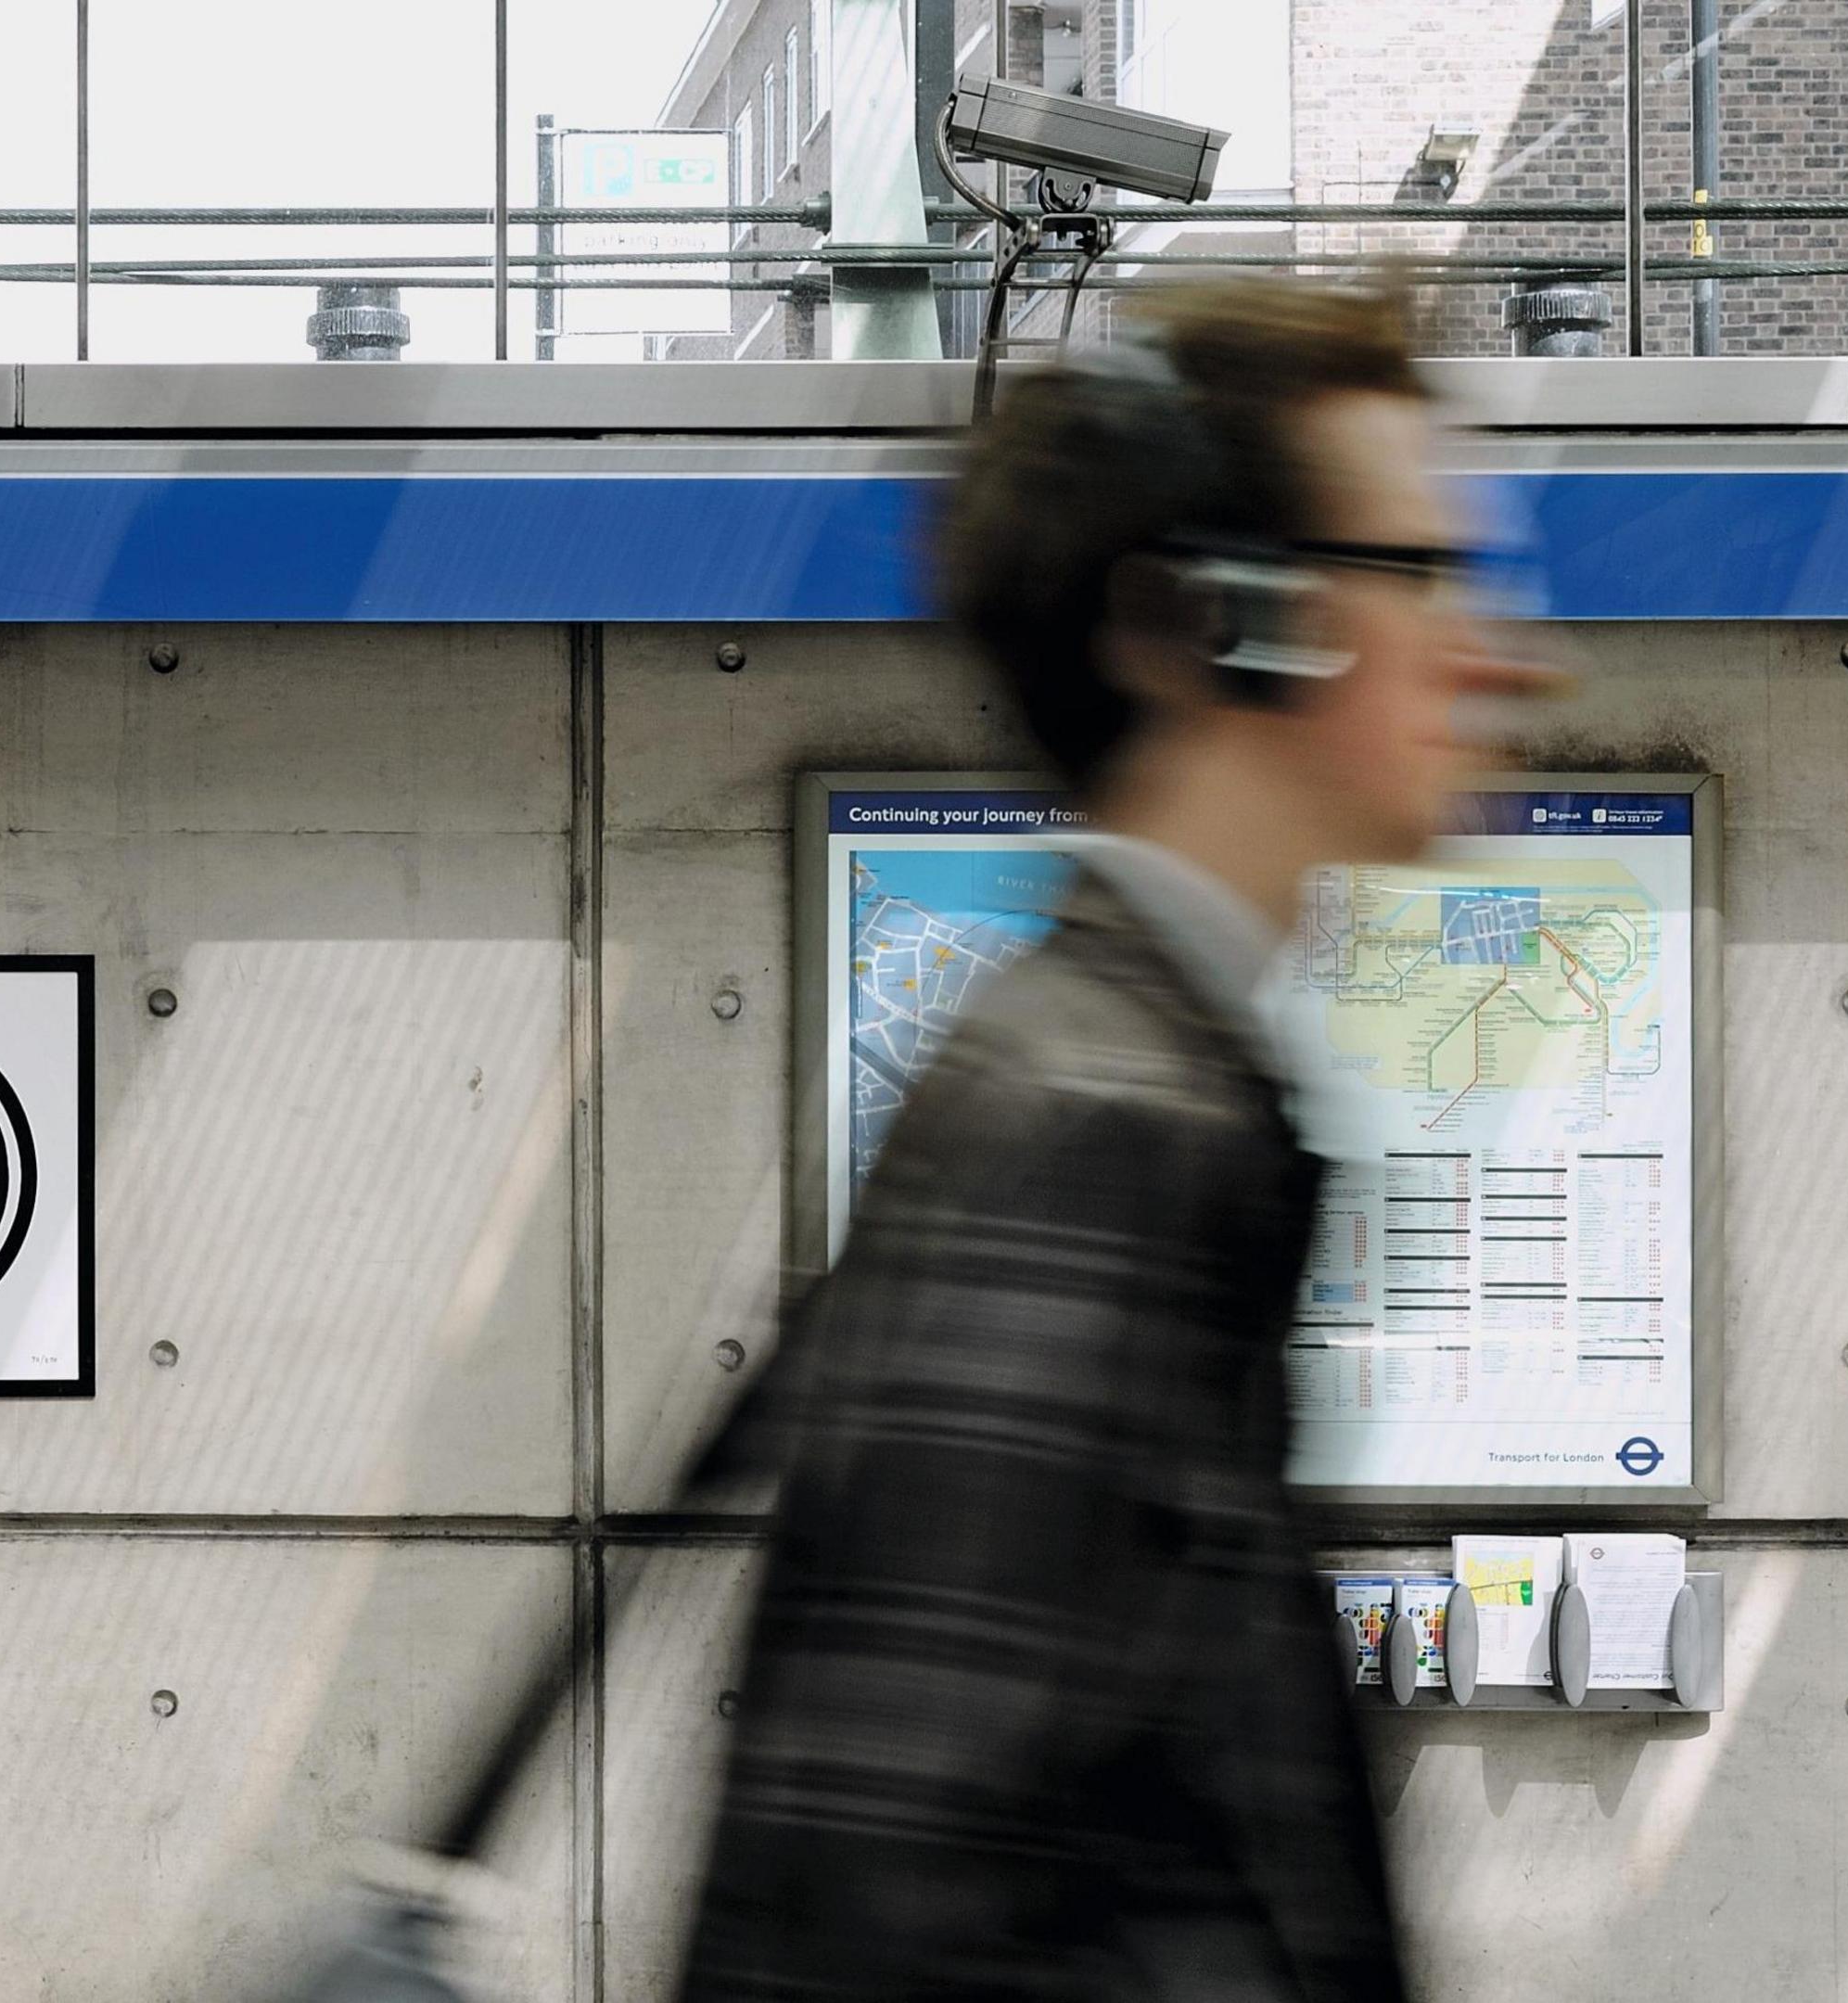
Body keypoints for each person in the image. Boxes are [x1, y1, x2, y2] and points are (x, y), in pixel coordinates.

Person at [676, 280, 1556, 2001]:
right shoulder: (1093, 1127)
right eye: (1429, 575)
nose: (1511, 654)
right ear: (1213, 625)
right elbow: (883, 1887)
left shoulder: (1159, 1082)